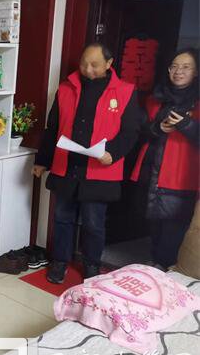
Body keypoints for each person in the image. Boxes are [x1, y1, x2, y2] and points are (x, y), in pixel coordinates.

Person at [33, 43, 142, 283]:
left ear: (109, 64)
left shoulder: (125, 92)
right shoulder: (66, 88)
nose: (87, 69)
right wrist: (42, 160)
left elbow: (131, 132)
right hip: (67, 165)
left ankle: (92, 264)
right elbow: (53, 128)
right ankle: (60, 261)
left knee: (93, 223)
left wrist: (113, 153)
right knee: (62, 217)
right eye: (84, 64)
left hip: (99, 168)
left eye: (94, 65)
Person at [130, 48, 199, 269]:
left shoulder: (197, 103)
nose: (179, 71)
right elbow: (139, 129)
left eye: (186, 67)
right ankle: (156, 264)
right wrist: (157, 128)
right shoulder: (155, 98)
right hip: (150, 170)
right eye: (174, 66)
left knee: (174, 228)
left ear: (196, 72)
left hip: (180, 175)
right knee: (154, 224)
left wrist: (187, 125)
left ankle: (164, 267)